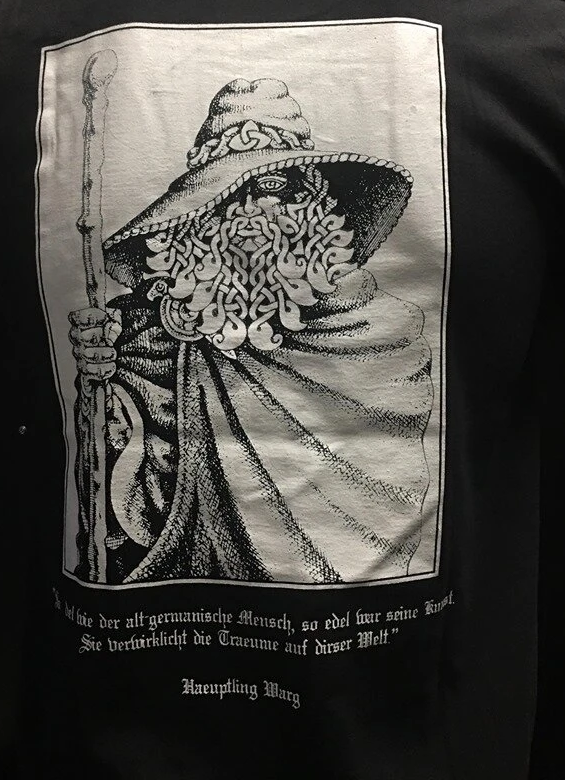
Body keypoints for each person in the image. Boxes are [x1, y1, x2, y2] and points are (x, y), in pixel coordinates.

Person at [69, 76, 434, 584]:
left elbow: (387, 486)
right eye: (224, 195)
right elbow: (110, 475)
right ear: (194, 220)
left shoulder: (382, 331)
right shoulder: (140, 327)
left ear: (316, 201)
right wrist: (98, 378)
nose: (250, 212)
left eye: (274, 188)